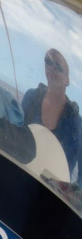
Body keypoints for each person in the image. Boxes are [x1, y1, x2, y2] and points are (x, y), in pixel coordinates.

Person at [22, 48, 82, 184]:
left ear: (67, 81)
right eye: (48, 61)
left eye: (59, 67)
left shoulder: (77, 124)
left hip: (52, 196)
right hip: (20, 174)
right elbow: (14, 131)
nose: (52, 68)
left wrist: (72, 195)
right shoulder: (31, 97)